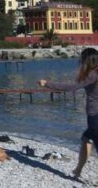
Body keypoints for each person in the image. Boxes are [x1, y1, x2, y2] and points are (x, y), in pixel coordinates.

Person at [39, 47, 98, 180]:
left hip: (95, 117)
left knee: (90, 140)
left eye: (82, 60)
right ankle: (78, 170)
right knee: (86, 139)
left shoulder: (92, 74)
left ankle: (78, 170)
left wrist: (47, 83)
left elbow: (71, 87)